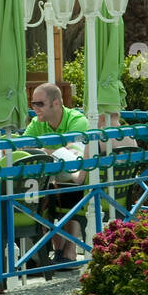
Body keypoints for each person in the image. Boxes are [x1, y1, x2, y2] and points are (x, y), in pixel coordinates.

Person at [22, 84, 90, 262]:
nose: (35, 108)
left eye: (40, 104)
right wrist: (50, 152)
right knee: (32, 194)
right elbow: (23, 149)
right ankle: (45, 251)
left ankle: (69, 250)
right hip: (49, 180)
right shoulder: (37, 123)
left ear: (56, 104)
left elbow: (72, 154)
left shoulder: (77, 120)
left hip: (79, 181)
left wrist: (43, 151)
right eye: (33, 104)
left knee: (66, 186)